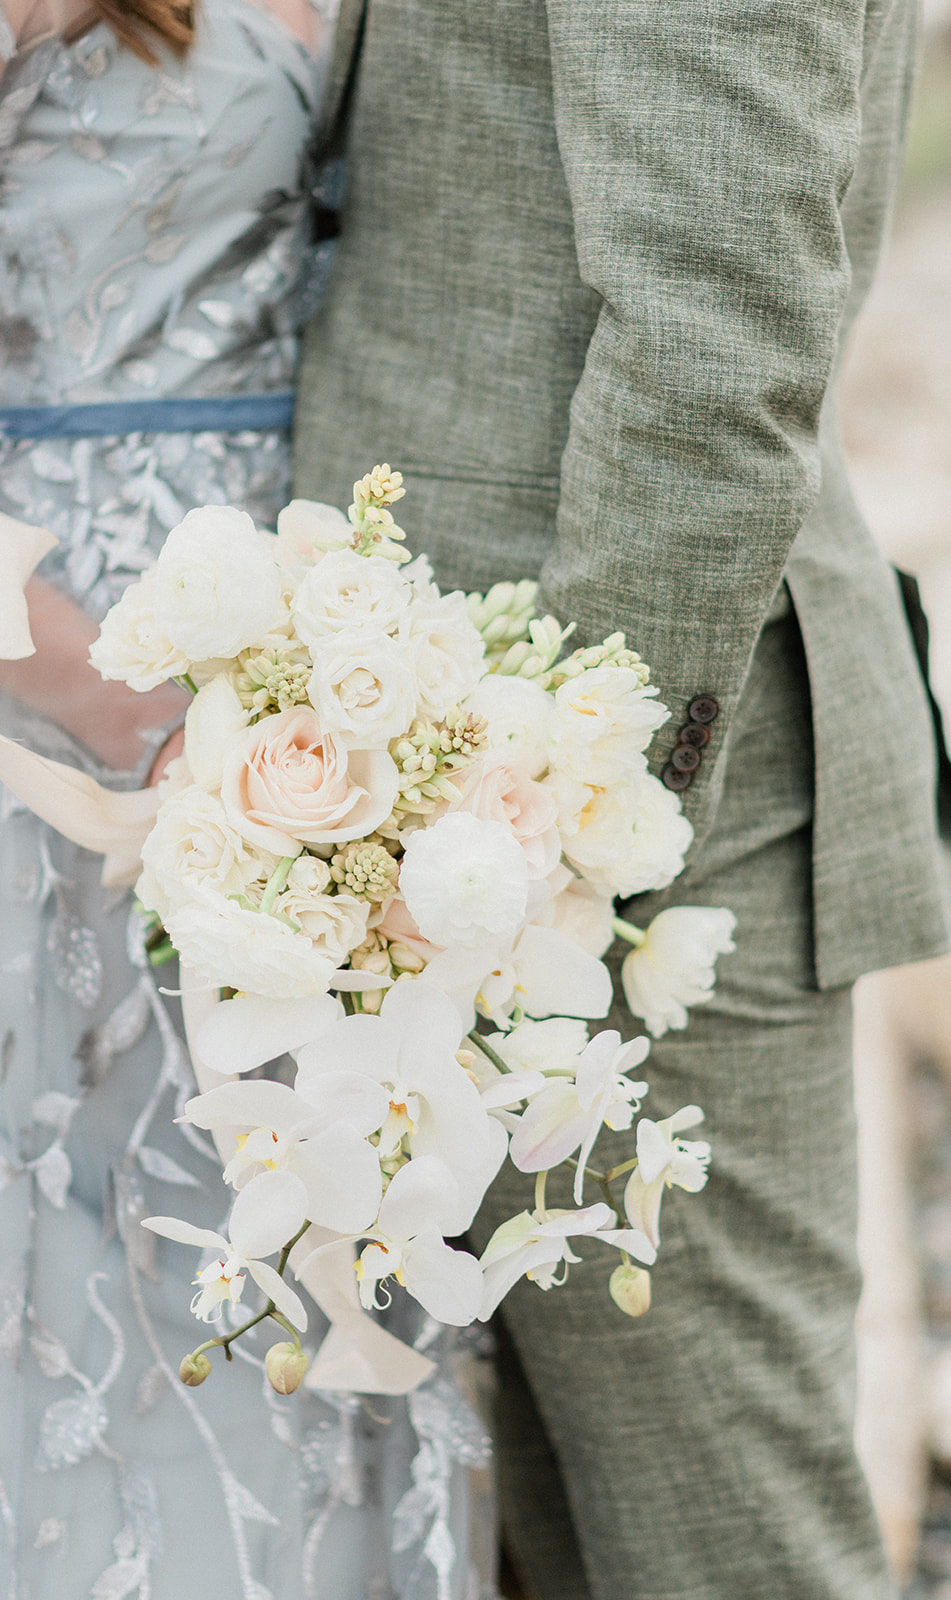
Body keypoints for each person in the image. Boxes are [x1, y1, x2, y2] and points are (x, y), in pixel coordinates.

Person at [0, 3, 497, 1595]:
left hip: (338, 664)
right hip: (61, 684)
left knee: (322, 1208)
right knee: (81, 1238)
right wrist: (139, 717)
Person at [292, 2, 951, 1598]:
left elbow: (717, 353)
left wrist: (548, 831)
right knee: (579, 1542)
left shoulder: (556, 833)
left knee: (720, 1546)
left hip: (613, 826)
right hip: (476, 786)